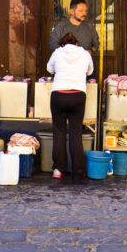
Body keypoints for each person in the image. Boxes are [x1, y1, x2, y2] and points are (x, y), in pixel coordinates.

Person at [47, 32, 93, 180]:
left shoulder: (57, 52)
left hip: (58, 95)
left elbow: (50, 69)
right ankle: (78, 171)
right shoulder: (85, 54)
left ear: (62, 44)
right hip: (78, 95)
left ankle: (58, 170)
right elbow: (90, 71)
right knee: (76, 132)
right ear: (77, 44)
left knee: (59, 132)